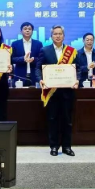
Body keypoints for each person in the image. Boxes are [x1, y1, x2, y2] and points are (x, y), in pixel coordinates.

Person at [36, 25, 78, 157]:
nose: (58, 36)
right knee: (52, 119)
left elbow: (79, 69)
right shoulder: (45, 50)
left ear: (64, 36)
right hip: (51, 92)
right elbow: (38, 68)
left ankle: (67, 147)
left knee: (67, 120)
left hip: (67, 91)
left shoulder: (71, 51)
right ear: (51, 36)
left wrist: (77, 80)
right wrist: (40, 79)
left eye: (60, 34)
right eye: (55, 34)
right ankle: (54, 146)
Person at [11, 22, 43, 86]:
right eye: (25, 29)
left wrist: (33, 59)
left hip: (34, 76)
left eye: (29, 29)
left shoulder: (38, 44)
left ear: (32, 31)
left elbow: (42, 60)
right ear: (21, 31)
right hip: (19, 76)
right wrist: (23, 59)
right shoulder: (15, 44)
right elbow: (12, 59)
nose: (27, 30)